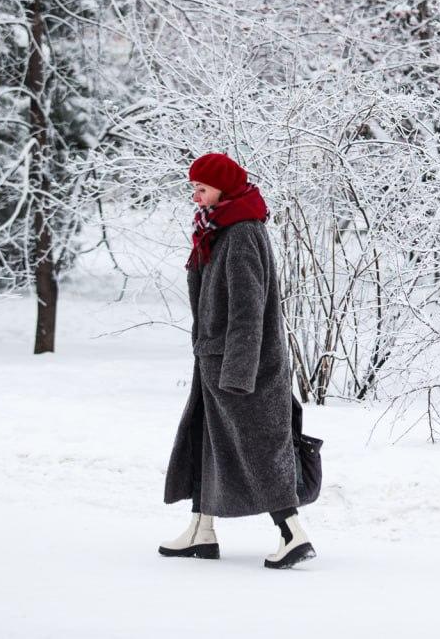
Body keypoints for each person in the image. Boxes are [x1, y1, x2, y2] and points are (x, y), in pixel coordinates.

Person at [160, 152, 316, 569]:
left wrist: (239, 372)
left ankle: (293, 534)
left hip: (244, 367)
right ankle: (202, 530)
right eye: (192, 188)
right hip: (217, 358)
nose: (196, 196)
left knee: (259, 450)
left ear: (223, 187)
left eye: (202, 188)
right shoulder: (219, 228)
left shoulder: (242, 231)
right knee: (207, 441)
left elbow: (249, 309)